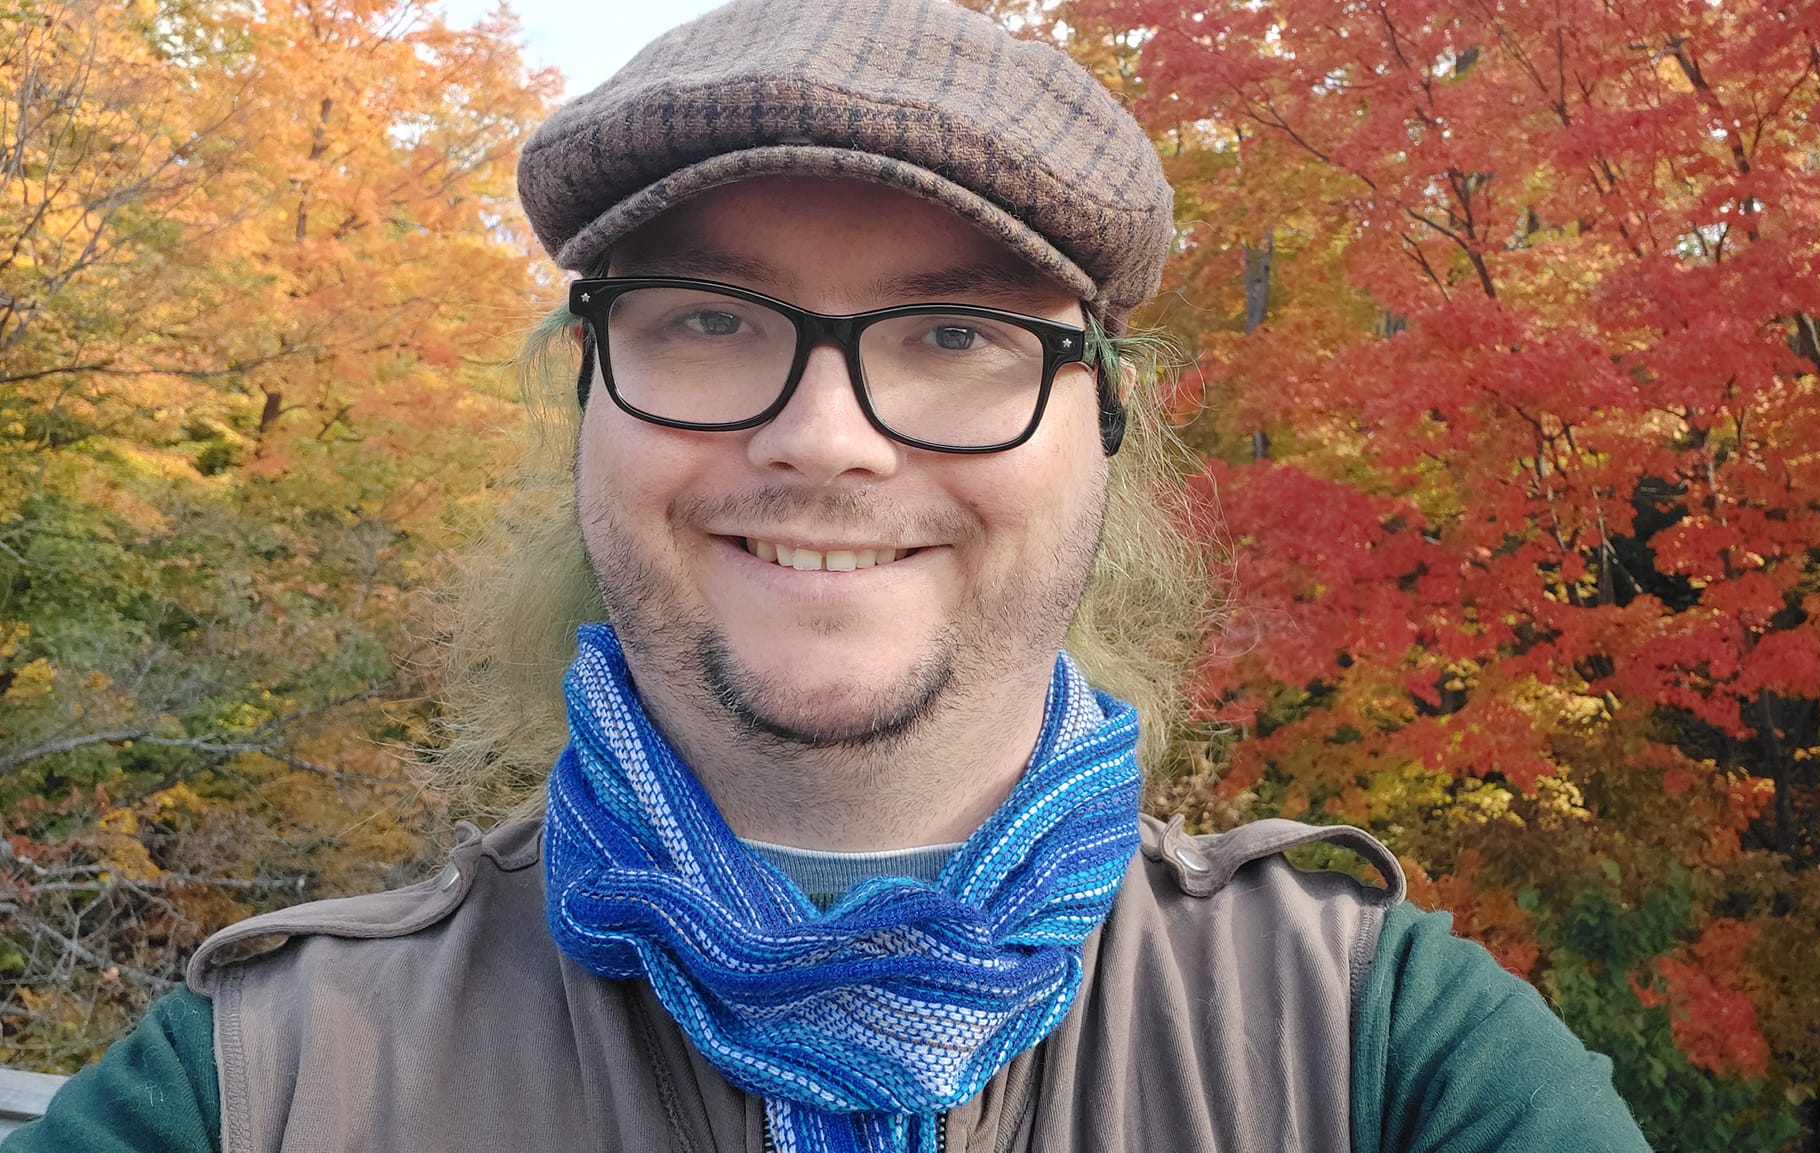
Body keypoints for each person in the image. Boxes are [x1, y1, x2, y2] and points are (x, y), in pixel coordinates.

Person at [6, 1, 1654, 1150]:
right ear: (587, 400)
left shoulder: (1386, 1051)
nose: (825, 438)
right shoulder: (259, 1084)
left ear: (1105, 425)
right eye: (710, 321)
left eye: (955, 332)